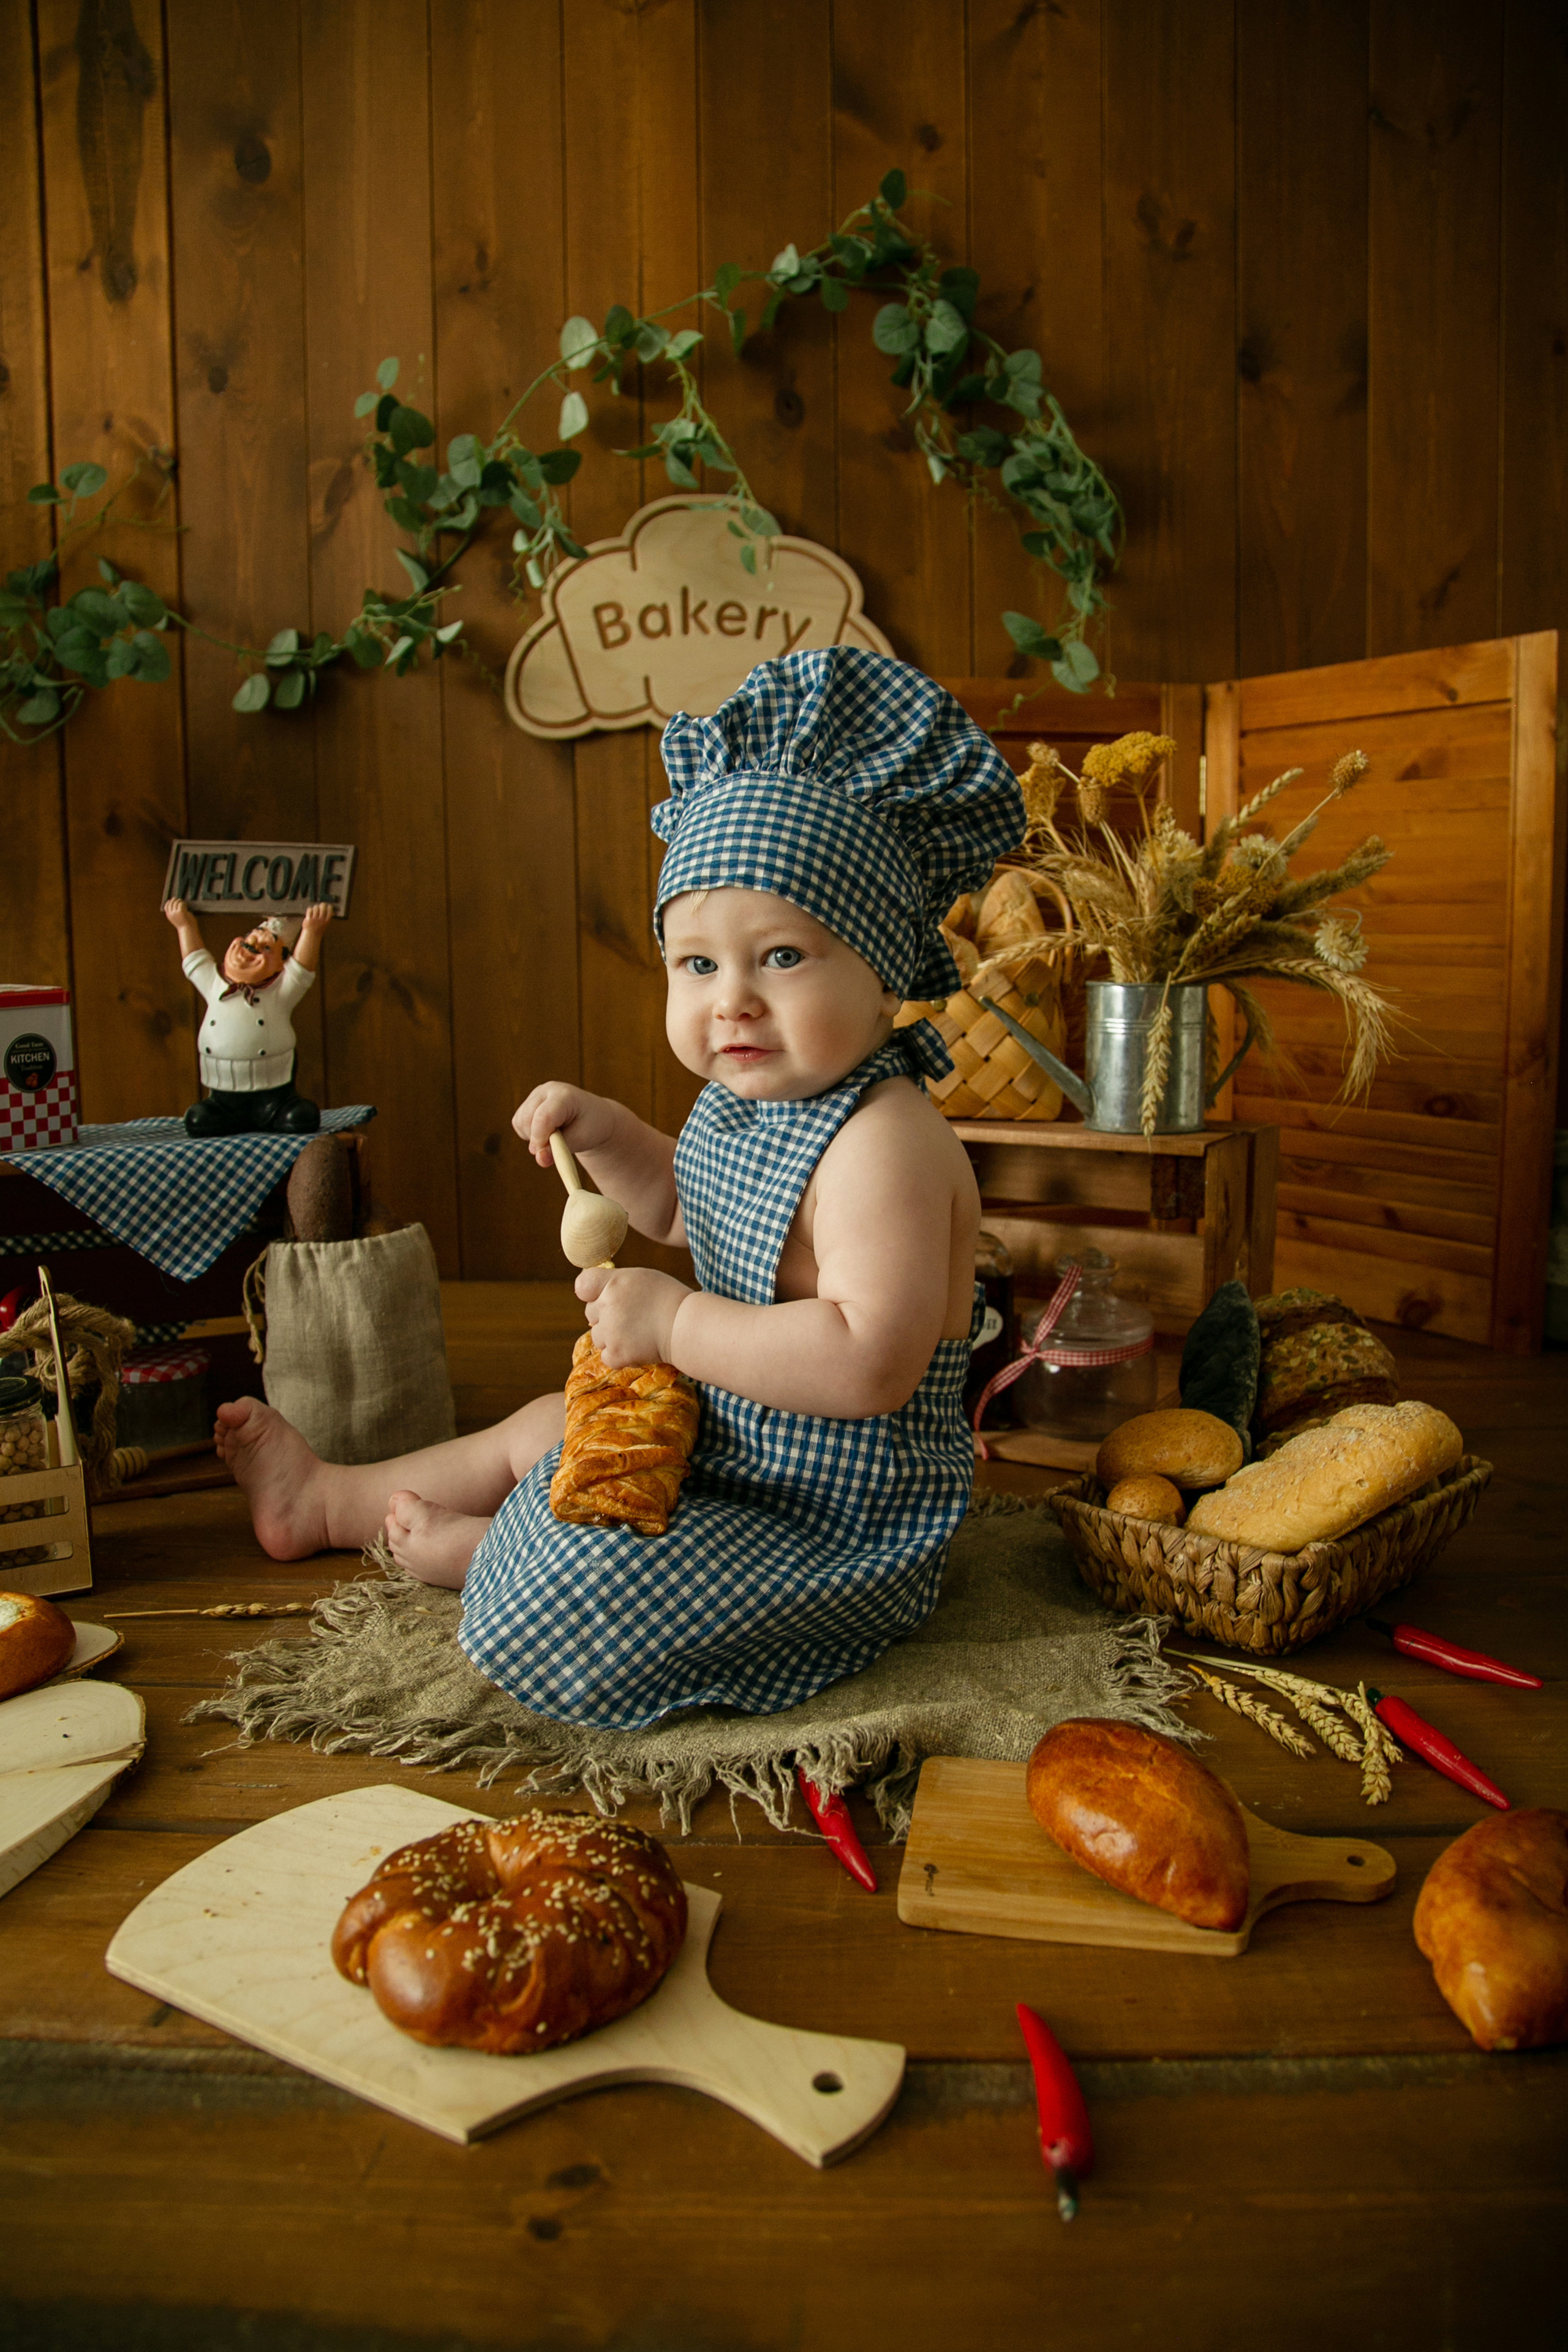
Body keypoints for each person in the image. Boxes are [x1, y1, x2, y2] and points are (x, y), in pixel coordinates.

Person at [216, 648, 1025, 1728]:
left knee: (599, 1581)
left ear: (882, 971)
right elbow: (691, 1212)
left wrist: (677, 1324)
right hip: (723, 1438)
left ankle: (497, 1559)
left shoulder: (887, 1142)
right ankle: (327, 1501)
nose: (732, 1001)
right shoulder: (747, 1103)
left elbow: (869, 1361)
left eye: (782, 957)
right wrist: (610, 1139)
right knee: (546, 1428)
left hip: (827, 1517)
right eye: (698, 965)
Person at [164, 899, 334, 1134]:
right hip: (223, 1093)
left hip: (274, 1091)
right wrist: (185, 926)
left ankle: (278, 1112)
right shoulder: (214, 984)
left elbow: (302, 970)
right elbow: (195, 960)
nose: (252, 947)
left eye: (267, 948)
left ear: (281, 963)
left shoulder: (280, 993)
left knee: (300, 1118)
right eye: (249, 940)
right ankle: (221, 1114)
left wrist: (312, 933)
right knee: (199, 1120)